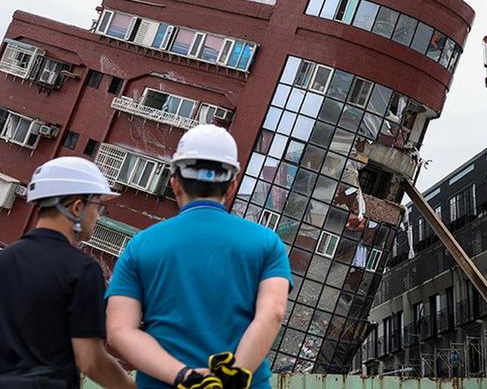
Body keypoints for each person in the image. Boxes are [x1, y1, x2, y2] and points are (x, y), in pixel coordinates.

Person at [106, 125, 292, 389]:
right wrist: (234, 376)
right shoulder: (266, 243)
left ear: (175, 183)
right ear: (232, 186)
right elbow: (272, 313)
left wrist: (185, 376)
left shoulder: (141, 246)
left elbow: (119, 331)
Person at [0, 157, 136, 389]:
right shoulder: (82, 270)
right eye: (98, 206)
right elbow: (91, 360)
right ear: (77, 207)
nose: (99, 216)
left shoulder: (5, 258)